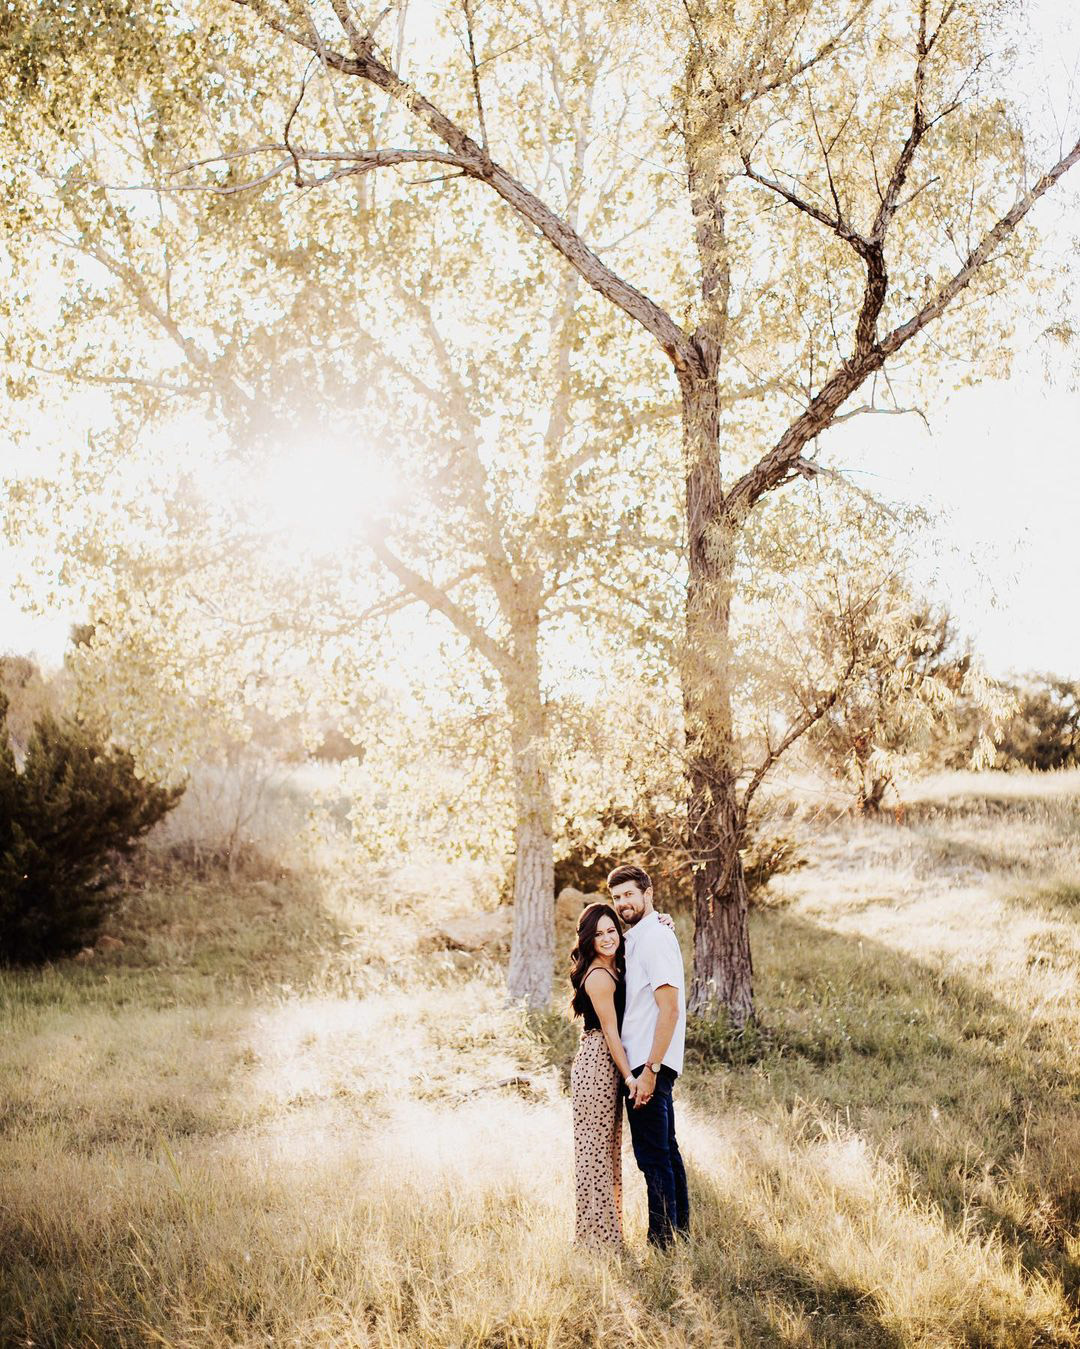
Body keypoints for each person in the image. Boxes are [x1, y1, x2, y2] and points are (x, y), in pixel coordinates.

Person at [608, 863, 689, 1248]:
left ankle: (663, 1244)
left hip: (648, 1062)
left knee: (653, 1157)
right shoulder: (640, 936)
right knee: (665, 1152)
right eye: (617, 897)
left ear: (648, 893)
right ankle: (679, 1237)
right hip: (645, 1060)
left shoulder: (654, 937)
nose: (623, 903)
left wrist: (652, 1070)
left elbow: (669, 1008)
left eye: (629, 894)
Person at [568, 902, 637, 1250]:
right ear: (588, 939)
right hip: (597, 1064)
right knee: (594, 1156)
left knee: (606, 1153)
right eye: (599, 934)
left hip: (606, 1064)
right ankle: (595, 1242)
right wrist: (629, 1078)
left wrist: (663, 921)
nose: (607, 938)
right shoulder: (597, 976)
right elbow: (610, 1032)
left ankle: (607, 1238)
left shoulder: (615, 966)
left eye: (612, 930)